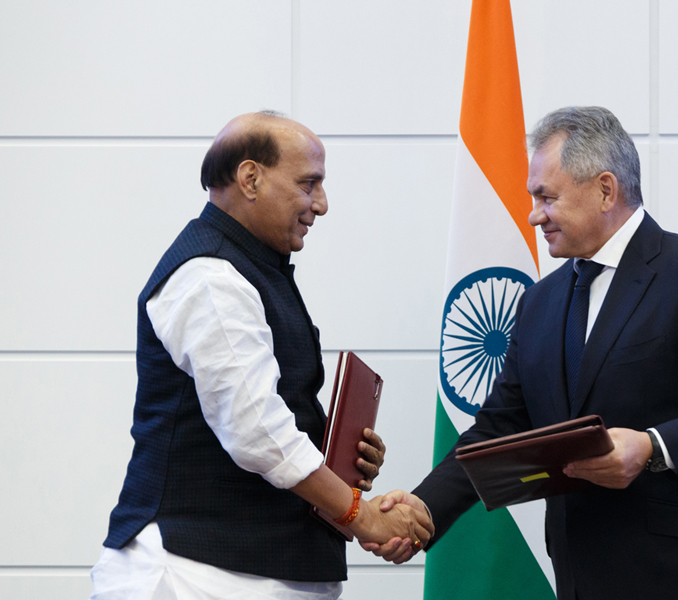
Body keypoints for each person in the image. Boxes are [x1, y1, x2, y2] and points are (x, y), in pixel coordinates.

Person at [366, 106, 678, 600]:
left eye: (547, 197)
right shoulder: (539, 303)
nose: (534, 214)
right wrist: (422, 509)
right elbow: (499, 428)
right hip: (581, 578)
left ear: (606, 190)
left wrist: (652, 447)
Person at [89, 111, 433, 600]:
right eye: (308, 184)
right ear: (250, 178)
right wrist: (359, 514)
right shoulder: (209, 275)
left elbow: (267, 422)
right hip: (196, 575)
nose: (322, 204)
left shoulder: (253, 267)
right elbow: (256, 430)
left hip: (249, 569)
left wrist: (338, 458)